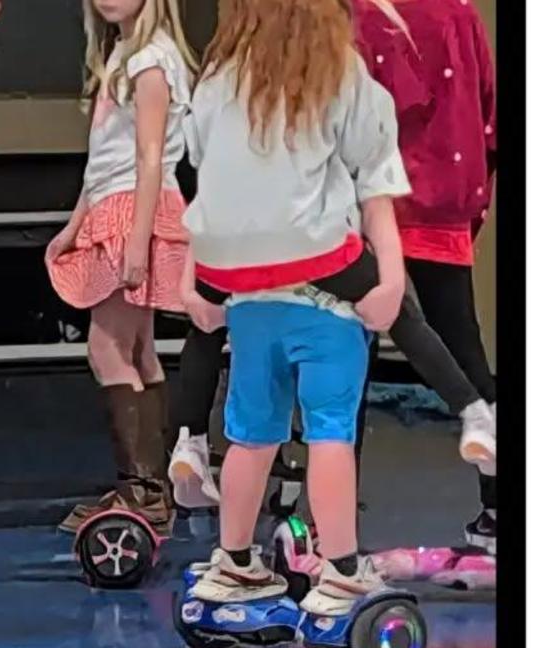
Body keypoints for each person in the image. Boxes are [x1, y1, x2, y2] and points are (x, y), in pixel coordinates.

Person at [180, 0, 408, 615]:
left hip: (247, 297)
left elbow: (202, 183)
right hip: (324, 293)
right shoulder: (341, 71)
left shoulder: (219, 77)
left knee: (250, 434)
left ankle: (232, 561)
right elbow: (376, 185)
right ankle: (342, 570)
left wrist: (194, 282)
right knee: (330, 429)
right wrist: (390, 280)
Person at [351, 0, 499, 553]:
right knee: (465, 350)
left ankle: (328, 520)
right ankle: (500, 508)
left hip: (369, 205)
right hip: (444, 200)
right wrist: (471, 204)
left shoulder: (357, 15)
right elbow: (487, 118)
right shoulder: (460, 13)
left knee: (345, 366)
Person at [44, 0, 197, 535]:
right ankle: (150, 487)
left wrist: (137, 238)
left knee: (106, 347)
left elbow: (150, 158)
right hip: (121, 203)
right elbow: (103, 160)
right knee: (136, 348)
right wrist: (75, 224)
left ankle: (142, 488)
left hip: (134, 207)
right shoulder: (127, 54)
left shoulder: (150, 60)